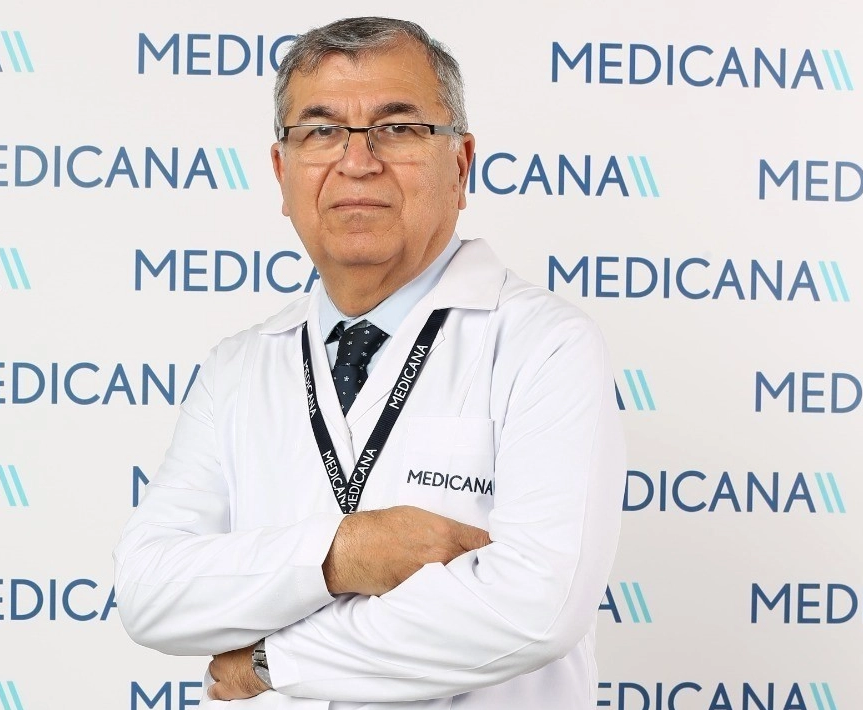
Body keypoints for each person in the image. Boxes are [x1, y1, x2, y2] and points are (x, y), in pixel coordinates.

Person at [114, 16, 625, 710]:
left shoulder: (546, 345)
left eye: (398, 128)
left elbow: (536, 606)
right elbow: (149, 590)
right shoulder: (238, 367)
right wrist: (341, 553)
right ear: (282, 172)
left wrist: (270, 662)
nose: (358, 162)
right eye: (321, 131)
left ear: (461, 164)